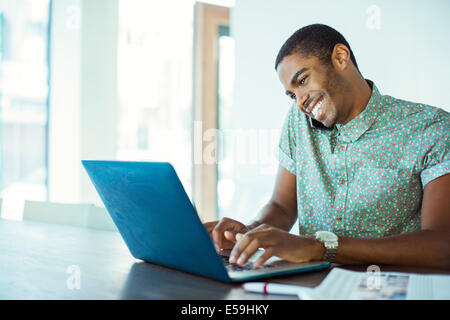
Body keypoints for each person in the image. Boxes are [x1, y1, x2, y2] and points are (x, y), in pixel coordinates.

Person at [205, 24, 450, 269]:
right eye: (292, 94)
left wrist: (320, 248)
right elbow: (281, 206)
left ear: (341, 57)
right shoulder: (297, 123)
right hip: (310, 286)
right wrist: (247, 234)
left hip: (386, 288)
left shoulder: (430, 127)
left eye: (302, 80)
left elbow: (441, 244)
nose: (300, 102)